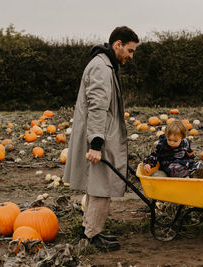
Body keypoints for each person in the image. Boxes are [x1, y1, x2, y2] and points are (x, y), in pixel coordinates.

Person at [63, 26, 139, 252]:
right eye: (130, 50)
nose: (131, 56)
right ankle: (91, 236)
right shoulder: (101, 68)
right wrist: (96, 143)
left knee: (99, 184)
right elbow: (97, 107)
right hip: (99, 136)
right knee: (100, 186)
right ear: (118, 45)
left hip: (102, 134)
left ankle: (91, 229)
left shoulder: (106, 65)